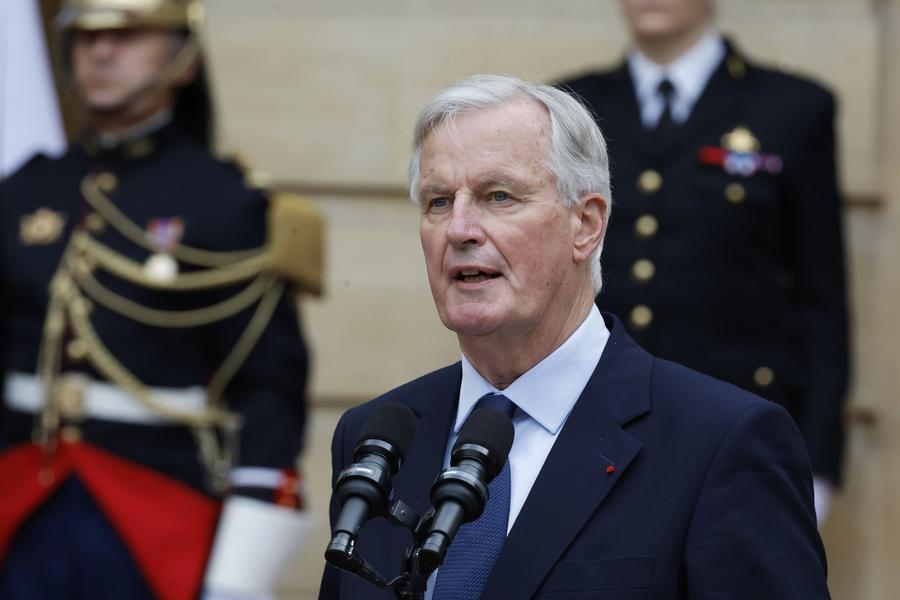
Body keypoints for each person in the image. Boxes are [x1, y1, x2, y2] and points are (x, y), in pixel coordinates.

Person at [319, 74, 828, 599]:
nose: (459, 229)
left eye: (498, 196)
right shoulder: (375, 440)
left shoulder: (723, 443)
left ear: (585, 225)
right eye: (438, 201)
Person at [0, 1, 320, 598]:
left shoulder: (227, 203)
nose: (100, 52)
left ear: (184, 57)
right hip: (18, 504)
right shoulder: (24, 191)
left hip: (153, 516)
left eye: (128, 34)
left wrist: (239, 573)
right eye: (87, 36)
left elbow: (266, 390)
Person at [557, 0, 850, 524]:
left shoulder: (791, 107)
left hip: (738, 424)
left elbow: (821, 295)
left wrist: (819, 460)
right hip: (591, 422)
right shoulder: (570, 109)